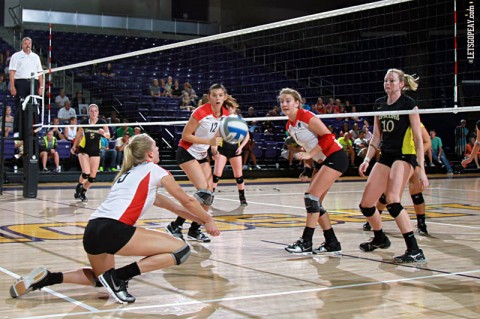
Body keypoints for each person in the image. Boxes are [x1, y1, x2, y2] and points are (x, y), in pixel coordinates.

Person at [10, 134, 220, 304]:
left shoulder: (127, 176)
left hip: (92, 230)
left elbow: (176, 208)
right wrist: (208, 219)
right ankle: (119, 277)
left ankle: (48, 278)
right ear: (149, 154)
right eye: (156, 147)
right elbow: (187, 201)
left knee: (101, 280)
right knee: (181, 250)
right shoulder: (155, 170)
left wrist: (200, 221)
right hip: (114, 229)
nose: (158, 151)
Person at [358, 68, 428, 263]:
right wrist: (366, 159)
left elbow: (417, 138)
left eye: (392, 80)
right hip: (387, 156)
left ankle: (414, 250)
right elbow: (377, 136)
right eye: (385, 80)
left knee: (392, 200)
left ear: (401, 84)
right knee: (366, 204)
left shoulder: (409, 104)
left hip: (405, 156)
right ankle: (380, 238)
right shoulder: (379, 105)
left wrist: (421, 169)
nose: (387, 83)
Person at [280, 88, 348, 255]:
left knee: (311, 198)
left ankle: (306, 242)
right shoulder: (290, 125)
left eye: (288, 100)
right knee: (316, 203)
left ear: (297, 103)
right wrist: (307, 167)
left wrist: (309, 154)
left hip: (335, 156)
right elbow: (308, 145)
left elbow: (328, 136)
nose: (284, 104)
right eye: (282, 101)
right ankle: (332, 242)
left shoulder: (306, 116)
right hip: (321, 161)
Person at [165, 83, 229, 243]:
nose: (217, 98)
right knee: (203, 192)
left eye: (220, 95)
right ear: (209, 96)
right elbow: (186, 135)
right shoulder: (200, 112)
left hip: (201, 154)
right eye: (214, 95)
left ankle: (194, 229)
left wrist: (215, 148)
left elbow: (219, 134)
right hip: (186, 152)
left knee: (209, 195)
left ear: (225, 97)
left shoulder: (225, 114)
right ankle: (175, 225)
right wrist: (209, 141)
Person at [363, 125, 432, 236]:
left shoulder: (416, 122)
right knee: (387, 194)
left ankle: (421, 224)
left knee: (416, 191)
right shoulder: (395, 121)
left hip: (411, 158)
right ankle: (373, 219)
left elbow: (427, 142)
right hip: (395, 158)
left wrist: (416, 154)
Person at [212, 98, 250, 206]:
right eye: (227, 108)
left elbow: (247, 135)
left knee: (239, 176)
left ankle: (242, 198)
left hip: (235, 150)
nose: (229, 110)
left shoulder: (239, 120)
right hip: (223, 150)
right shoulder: (222, 120)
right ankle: (210, 196)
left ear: (234, 109)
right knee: (216, 175)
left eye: (231, 108)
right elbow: (217, 136)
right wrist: (215, 148)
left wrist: (241, 147)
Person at [70, 104, 111, 202]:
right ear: (89, 112)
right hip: (83, 149)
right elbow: (78, 135)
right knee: (86, 173)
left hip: (95, 150)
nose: (93, 113)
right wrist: (74, 146)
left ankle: (83, 192)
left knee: (92, 176)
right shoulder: (84, 123)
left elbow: (108, 135)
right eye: (91, 111)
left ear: (98, 112)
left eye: (95, 111)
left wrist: (103, 134)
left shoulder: (102, 123)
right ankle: (79, 186)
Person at [9, 37, 44, 138]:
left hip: (34, 82)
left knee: (35, 106)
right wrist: (12, 86)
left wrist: (41, 86)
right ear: (22, 45)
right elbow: (12, 72)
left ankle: (34, 130)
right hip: (21, 82)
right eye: (25, 43)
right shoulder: (16, 56)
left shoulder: (36, 57)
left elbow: (40, 72)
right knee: (20, 105)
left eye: (29, 43)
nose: (27, 45)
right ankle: (17, 130)